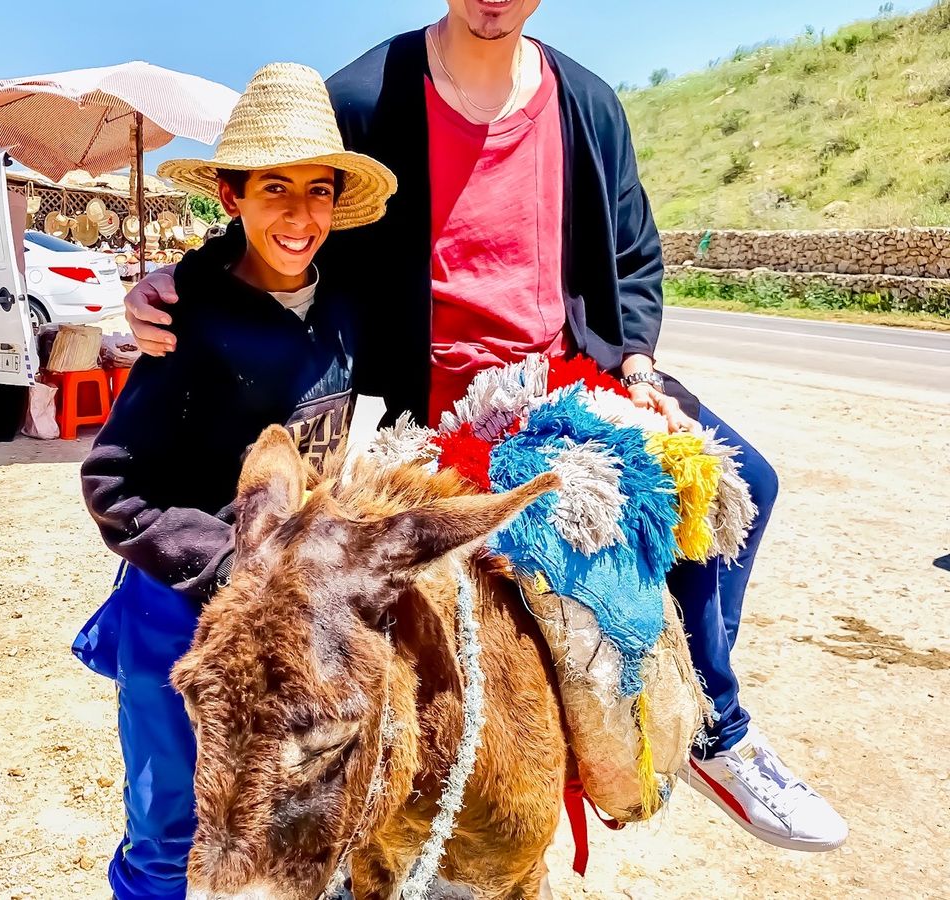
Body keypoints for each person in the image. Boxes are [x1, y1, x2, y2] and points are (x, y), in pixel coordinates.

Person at [124, 1, 847, 852]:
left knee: (744, 478)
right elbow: (284, 210)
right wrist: (187, 281)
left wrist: (639, 365)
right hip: (432, 409)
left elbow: (633, 254)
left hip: (567, 382)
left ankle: (716, 728)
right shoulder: (364, 97)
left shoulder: (586, 102)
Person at [72, 63, 397, 900]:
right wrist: (229, 566)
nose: (299, 215)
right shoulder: (187, 323)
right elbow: (113, 482)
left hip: (299, 611)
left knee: (292, 813)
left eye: (318, 191)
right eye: (274, 189)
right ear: (231, 195)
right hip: (182, 612)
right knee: (173, 829)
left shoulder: (346, 306)